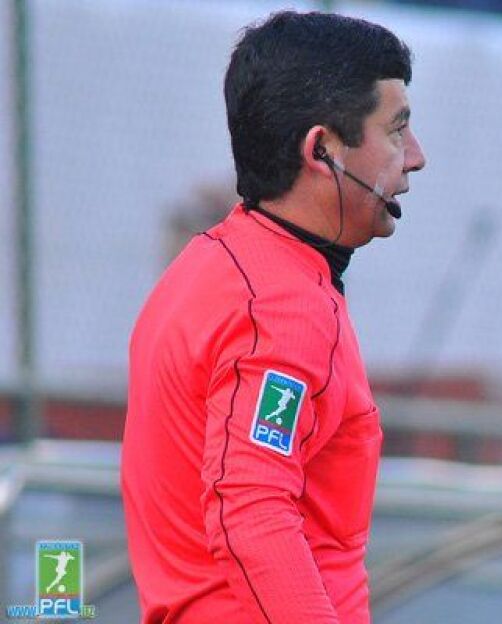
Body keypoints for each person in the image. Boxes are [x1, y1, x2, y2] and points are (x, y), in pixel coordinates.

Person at [121, 10, 425, 624]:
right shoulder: (281, 307)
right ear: (322, 150)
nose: (416, 157)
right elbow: (251, 510)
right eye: (396, 131)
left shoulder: (210, 266)